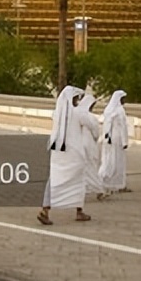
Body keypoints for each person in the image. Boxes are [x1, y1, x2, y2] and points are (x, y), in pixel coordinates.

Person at [38, 86, 92, 225]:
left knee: (54, 181)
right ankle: (79, 211)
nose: (77, 101)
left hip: (58, 154)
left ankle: (45, 210)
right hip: (74, 155)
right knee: (79, 182)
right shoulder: (78, 113)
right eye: (76, 98)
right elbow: (91, 125)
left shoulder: (57, 113)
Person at [97, 89, 130, 198]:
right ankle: (103, 180)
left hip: (108, 139)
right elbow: (122, 127)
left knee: (109, 159)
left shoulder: (108, 110)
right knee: (114, 161)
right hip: (117, 139)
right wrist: (125, 141)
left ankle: (117, 184)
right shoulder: (120, 111)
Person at [75, 93, 103, 198]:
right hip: (89, 143)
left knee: (83, 167)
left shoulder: (77, 114)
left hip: (78, 143)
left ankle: (85, 188)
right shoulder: (90, 117)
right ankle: (98, 188)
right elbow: (96, 133)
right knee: (90, 166)